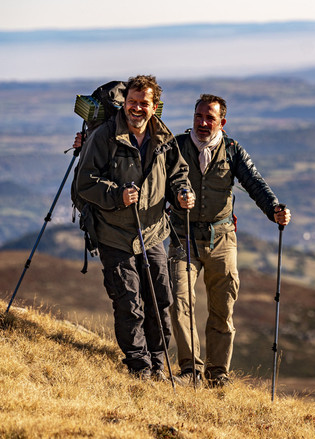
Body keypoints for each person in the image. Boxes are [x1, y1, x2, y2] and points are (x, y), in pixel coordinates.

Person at [75, 75, 195, 381]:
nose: (137, 108)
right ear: (125, 103)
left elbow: (177, 173)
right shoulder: (104, 136)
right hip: (114, 234)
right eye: (132, 102)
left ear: (155, 106)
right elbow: (85, 183)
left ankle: (159, 363)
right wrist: (117, 195)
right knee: (129, 301)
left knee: (159, 298)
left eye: (144, 103)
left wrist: (182, 192)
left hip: (153, 232)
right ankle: (139, 366)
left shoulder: (163, 138)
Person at [168, 94, 291, 387]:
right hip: (182, 236)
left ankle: (217, 373)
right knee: (179, 302)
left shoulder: (233, 149)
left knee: (223, 307)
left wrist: (274, 208)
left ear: (222, 122)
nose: (202, 123)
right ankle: (190, 370)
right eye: (198, 116)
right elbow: (160, 180)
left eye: (209, 118)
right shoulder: (175, 147)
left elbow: (254, 182)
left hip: (222, 238)